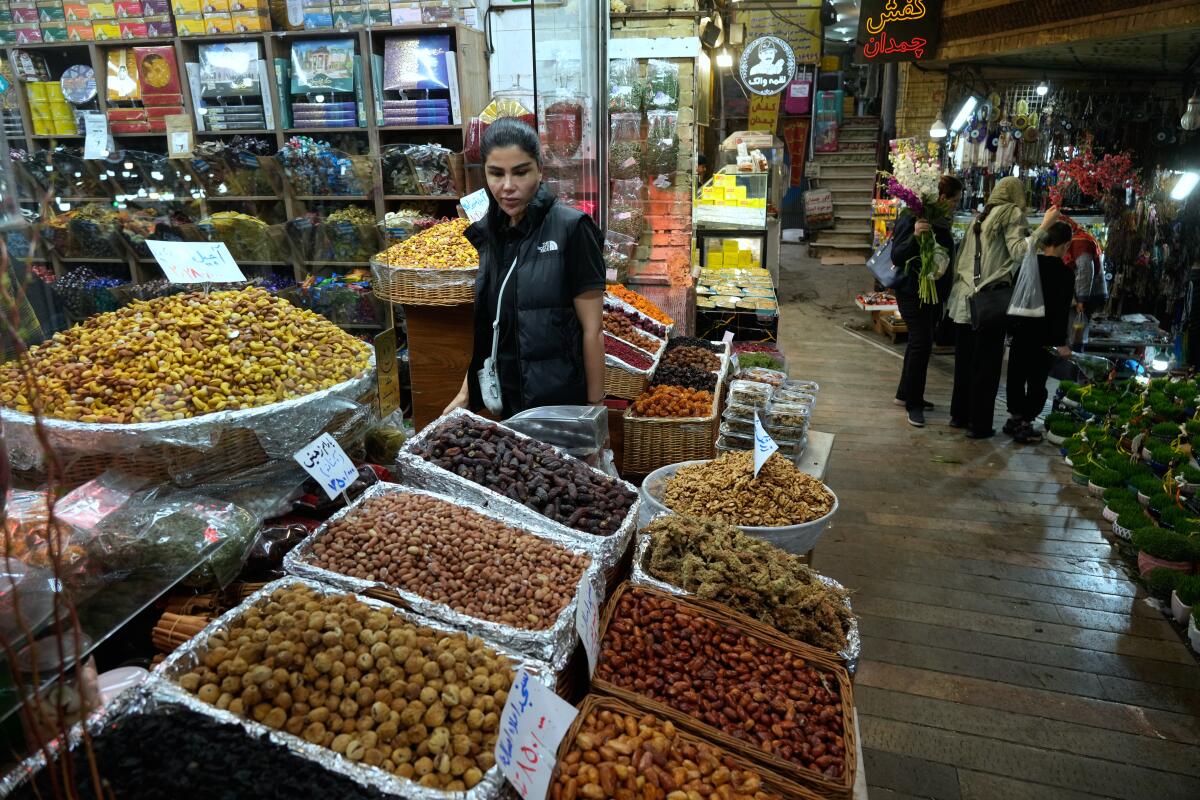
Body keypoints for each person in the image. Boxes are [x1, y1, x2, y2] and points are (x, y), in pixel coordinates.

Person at [443, 118, 606, 417]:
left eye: (520, 172)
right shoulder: (490, 234)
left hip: (560, 406)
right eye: (496, 174)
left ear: (540, 169)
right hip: (508, 405)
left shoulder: (571, 229)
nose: (507, 187)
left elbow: (593, 331)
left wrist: (595, 411)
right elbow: (492, 327)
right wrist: (465, 394)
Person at [948, 176, 1060, 439]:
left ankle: (960, 416)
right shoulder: (1011, 213)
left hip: (964, 301)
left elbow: (961, 259)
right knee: (986, 366)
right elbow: (1021, 252)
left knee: (964, 364)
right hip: (989, 303)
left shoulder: (979, 217)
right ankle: (979, 425)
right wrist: (1045, 226)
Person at [890, 174, 963, 427]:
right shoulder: (912, 217)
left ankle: (904, 394)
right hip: (912, 292)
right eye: (955, 201)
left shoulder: (939, 219)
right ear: (942, 198)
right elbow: (897, 255)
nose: (956, 206)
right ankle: (914, 404)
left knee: (917, 343)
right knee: (922, 345)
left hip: (930, 294)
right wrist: (916, 236)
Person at [1004, 221, 1075, 444]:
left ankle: (1015, 418)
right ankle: (1025, 423)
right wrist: (1060, 341)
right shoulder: (1064, 274)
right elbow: (1061, 312)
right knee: (1037, 380)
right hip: (1044, 337)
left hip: (1020, 331)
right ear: (1065, 245)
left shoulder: (1027, 265)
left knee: (1015, 375)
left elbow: (1013, 298)